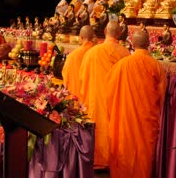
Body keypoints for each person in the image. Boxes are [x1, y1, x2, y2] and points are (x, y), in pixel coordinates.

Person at [106, 31, 167, 178]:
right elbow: (161, 97)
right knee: (143, 157)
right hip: (146, 122)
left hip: (124, 120)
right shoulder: (156, 66)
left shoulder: (121, 65)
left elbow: (109, 93)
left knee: (124, 152)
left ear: (132, 45)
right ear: (149, 44)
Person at [78, 21, 130, 169]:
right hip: (116, 99)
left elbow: (83, 78)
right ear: (119, 34)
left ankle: (97, 158)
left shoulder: (92, 52)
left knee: (98, 125)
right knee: (114, 126)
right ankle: (112, 159)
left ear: (105, 31)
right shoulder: (124, 53)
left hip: (95, 97)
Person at [61, 25, 95, 98]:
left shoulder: (73, 55)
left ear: (81, 37)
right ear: (93, 37)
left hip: (76, 98)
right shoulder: (99, 53)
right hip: (94, 99)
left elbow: (66, 78)